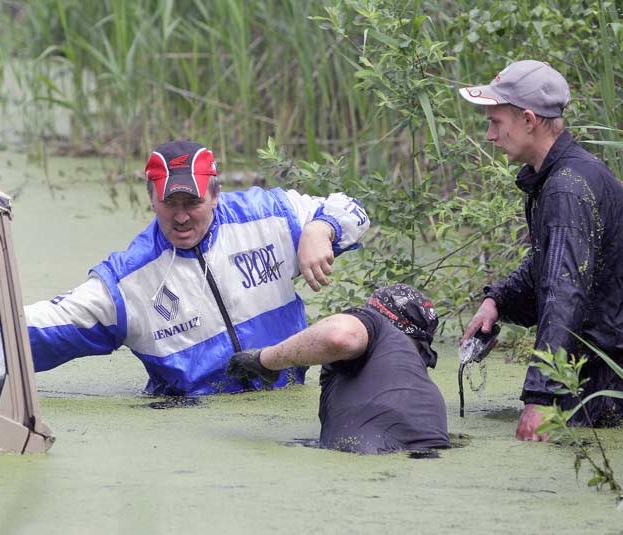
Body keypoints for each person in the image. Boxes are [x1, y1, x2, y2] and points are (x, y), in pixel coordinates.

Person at [24, 140, 371, 396]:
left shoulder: (270, 216)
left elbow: (351, 211)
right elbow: (45, 326)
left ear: (216, 194)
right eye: (168, 203)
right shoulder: (129, 279)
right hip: (190, 429)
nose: (180, 215)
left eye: (193, 202)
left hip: (284, 411)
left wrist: (320, 229)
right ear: (151, 199)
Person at [458, 59, 623, 440]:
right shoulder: (568, 175)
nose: (489, 135)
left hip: (600, 385)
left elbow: (564, 293)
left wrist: (541, 398)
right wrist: (497, 301)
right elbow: (548, 266)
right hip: (591, 372)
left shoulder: (566, 189)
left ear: (529, 120)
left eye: (496, 122)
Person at [226, 284, 450, 454]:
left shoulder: (376, 325)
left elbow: (339, 336)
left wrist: (264, 360)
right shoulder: (426, 394)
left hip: (367, 473)